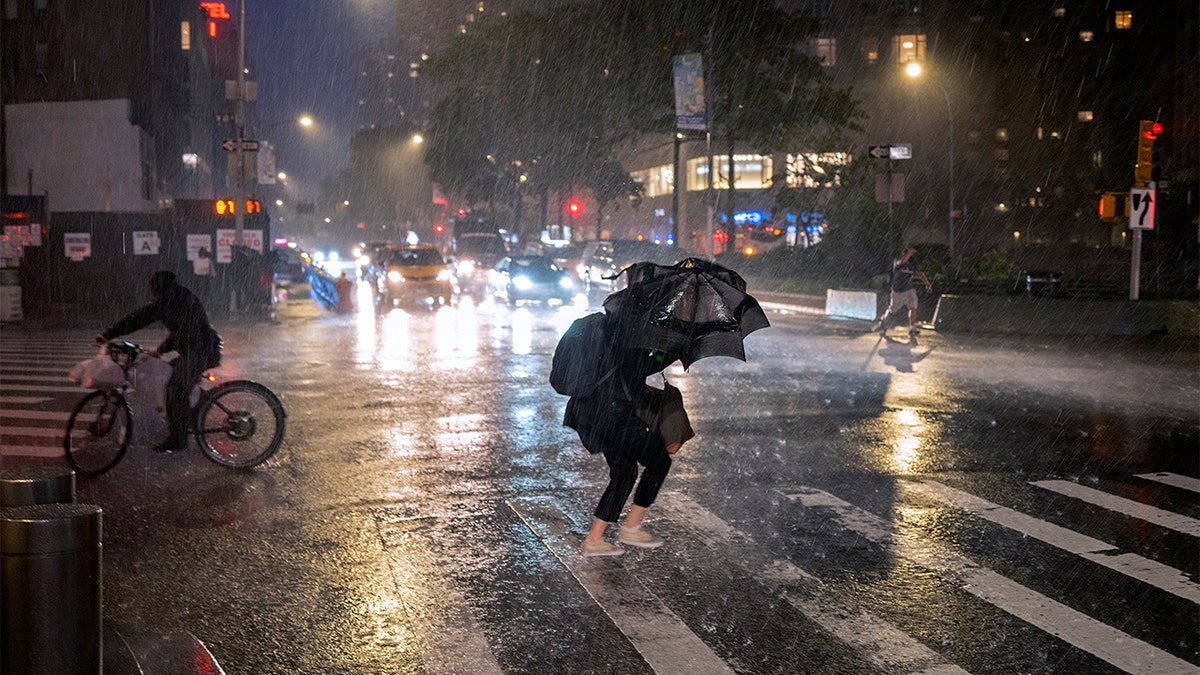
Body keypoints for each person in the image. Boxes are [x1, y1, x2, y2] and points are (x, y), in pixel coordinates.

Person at [563, 313, 687, 557]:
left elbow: (622, 379)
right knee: (659, 461)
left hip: (591, 415)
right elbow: (647, 364)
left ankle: (594, 539)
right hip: (615, 418)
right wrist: (676, 348)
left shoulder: (605, 335)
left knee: (624, 473)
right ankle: (631, 527)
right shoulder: (630, 340)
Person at [97, 270, 222, 452]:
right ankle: (194, 414)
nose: (150, 289)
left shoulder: (168, 300)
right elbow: (182, 330)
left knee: (175, 389)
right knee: (167, 376)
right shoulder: (178, 296)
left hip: (201, 351)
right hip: (198, 348)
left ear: (158, 286)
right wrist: (160, 351)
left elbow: (138, 318)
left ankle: (178, 438)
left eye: (152, 285)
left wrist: (108, 334)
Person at [873, 246, 932, 338]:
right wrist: (909, 252)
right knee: (893, 310)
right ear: (904, 254)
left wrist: (927, 284)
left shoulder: (913, 264)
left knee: (913, 307)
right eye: (907, 253)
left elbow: (921, 274)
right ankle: (883, 323)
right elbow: (903, 261)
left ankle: (912, 328)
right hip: (898, 291)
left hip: (909, 290)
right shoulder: (898, 262)